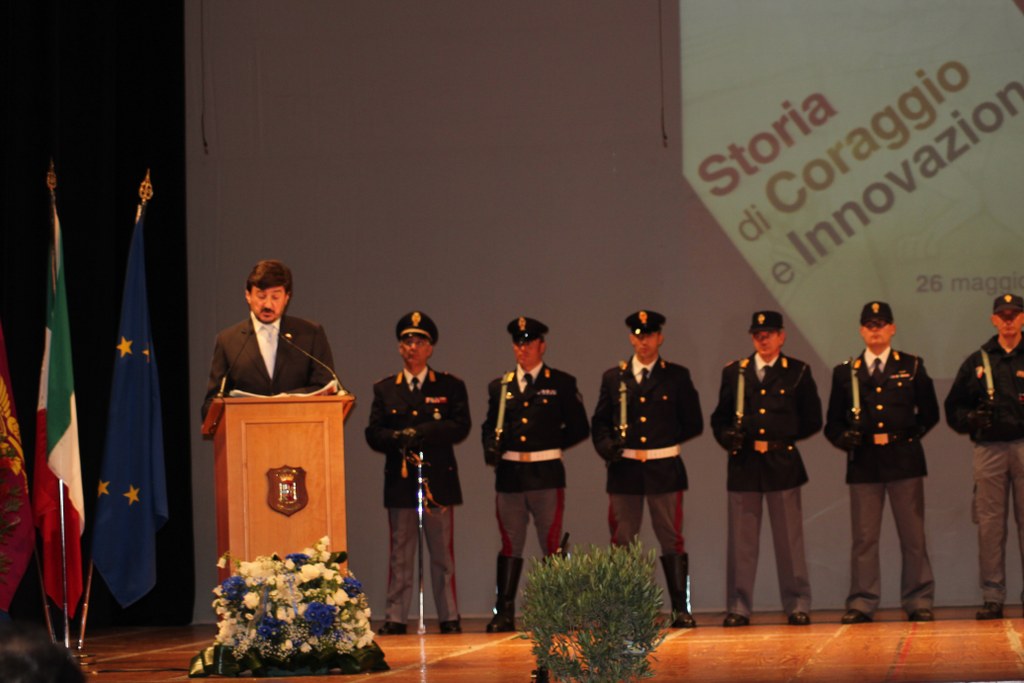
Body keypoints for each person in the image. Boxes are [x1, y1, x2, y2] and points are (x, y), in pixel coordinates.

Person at [824, 301, 939, 624]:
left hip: (904, 460)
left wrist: (909, 436)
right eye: (870, 325)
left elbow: (930, 412)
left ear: (892, 329)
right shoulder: (846, 372)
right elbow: (833, 423)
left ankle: (918, 599)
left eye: (881, 324)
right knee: (864, 538)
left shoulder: (911, 366)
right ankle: (862, 601)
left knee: (913, 536)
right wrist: (845, 439)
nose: (875, 330)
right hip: (864, 462)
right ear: (861, 331)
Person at [591, 310, 703, 628]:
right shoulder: (614, 377)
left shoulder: (676, 376)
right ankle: (624, 609)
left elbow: (693, 421)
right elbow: (599, 422)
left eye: (650, 335)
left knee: (671, 537)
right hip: (625, 470)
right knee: (623, 539)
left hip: (663, 467)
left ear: (659, 338)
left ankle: (680, 608)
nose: (644, 341)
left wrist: (662, 440)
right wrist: (607, 446)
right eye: (639, 336)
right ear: (631, 338)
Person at [710, 310, 822, 627]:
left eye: (769, 334)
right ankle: (738, 606)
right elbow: (719, 418)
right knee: (741, 544)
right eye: (758, 334)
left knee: (790, 543)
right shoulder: (735, 372)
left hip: (781, 462)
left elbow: (813, 418)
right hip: (745, 464)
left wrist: (782, 434)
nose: (763, 339)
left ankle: (797, 604)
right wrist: (727, 437)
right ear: (752, 337)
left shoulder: (797, 371)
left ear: (781, 336)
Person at [480, 316, 589, 632]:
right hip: (511, 473)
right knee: (510, 543)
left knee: (552, 543)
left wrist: (550, 445)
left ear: (542, 345)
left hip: (545, 472)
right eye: (518, 343)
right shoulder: (501, 386)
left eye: (528, 343)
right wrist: (491, 447)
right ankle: (504, 612)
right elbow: (490, 426)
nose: (522, 349)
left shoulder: (561, 383)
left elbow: (579, 427)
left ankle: (558, 610)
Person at [365, 311, 471, 635]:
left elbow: (460, 425)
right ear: (400, 348)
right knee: (400, 554)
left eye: (419, 341)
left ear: (430, 348)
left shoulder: (450, 386)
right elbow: (373, 433)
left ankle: (449, 616)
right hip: (401, 481)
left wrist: (422, 432)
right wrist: (398, 438)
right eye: (407, 342)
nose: (413, 347)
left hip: (437, 481)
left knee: (442, 556)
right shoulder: (385, 388)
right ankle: (396, 617)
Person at [945, 293, 1024, 620]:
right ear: (993, 319)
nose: (1008, 320)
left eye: (1014, 314)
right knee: (990, 526)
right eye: (1002, 315)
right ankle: (993, 596)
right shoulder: (977, 361)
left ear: (1022, 318)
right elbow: (953, 409)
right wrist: (971, 419)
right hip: (989, 450)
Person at [201, 259, 338, 420]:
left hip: (301, 428)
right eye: (261, 296)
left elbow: (325, 388)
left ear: (287, 297)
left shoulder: (311, 334)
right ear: (248, 296)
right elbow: (211, 404)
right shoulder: (228, 341)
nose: (268, 305)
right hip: (248, 431)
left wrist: (286, 399)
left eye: (275, 297)